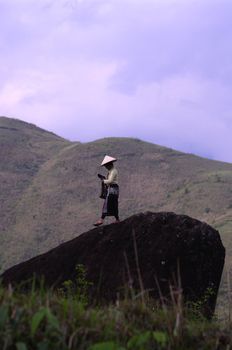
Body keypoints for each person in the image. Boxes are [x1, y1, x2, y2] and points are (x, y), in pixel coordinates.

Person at [94, 155, 120, 226]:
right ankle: (117, 219)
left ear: (109, 164)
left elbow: (110, 180)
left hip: (113, 189)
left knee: (107, 203)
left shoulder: (113, 171)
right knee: (113, 204)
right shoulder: (111, 171)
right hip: (113, 189)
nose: (106, 167)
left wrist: (103, 180)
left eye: (106, 165)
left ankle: (101, 220)